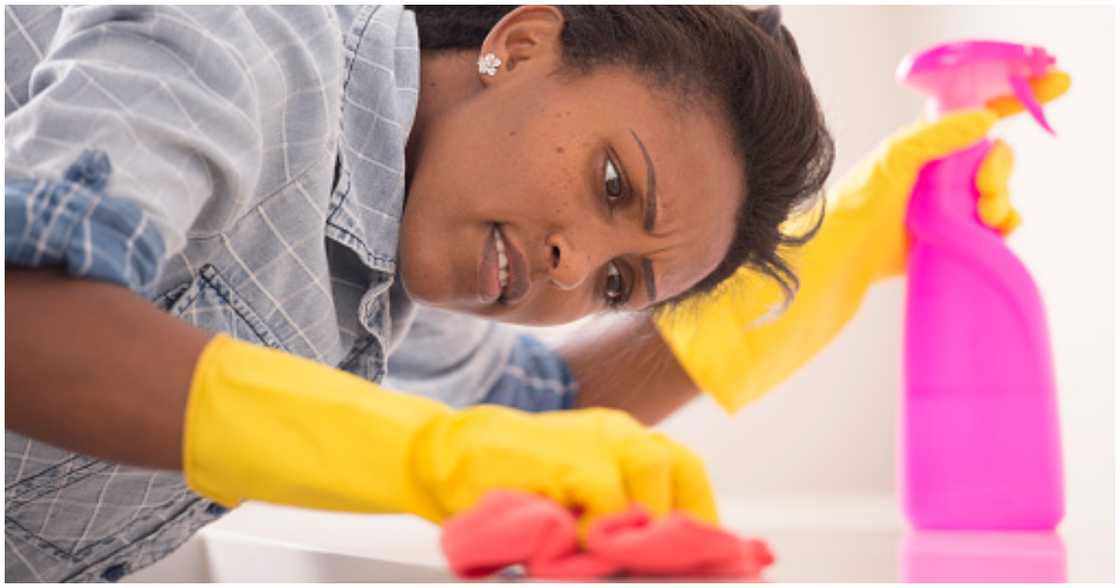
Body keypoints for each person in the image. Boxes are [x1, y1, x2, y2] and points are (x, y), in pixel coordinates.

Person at [4, 5, 1066, 583]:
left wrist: (849, 247)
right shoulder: (250, 34)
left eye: (618, 280)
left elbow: (547, 423)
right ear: (521, 43)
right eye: (612, 182)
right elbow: (22, 317)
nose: (571, 271)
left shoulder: (394, 273)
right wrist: (438, 463)